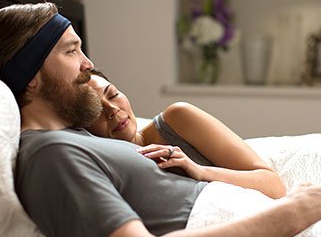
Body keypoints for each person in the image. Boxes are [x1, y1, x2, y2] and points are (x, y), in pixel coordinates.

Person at [0, 2, 321, 237]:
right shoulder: (51, 155)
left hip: (275, 225)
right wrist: (297, 209)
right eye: (71, 51)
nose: (87, 63)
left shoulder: (75, 139)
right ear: (31, 77)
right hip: (271, 236)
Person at [86, 69, 285, 198]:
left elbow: (273, 184)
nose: (112, 109)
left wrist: (199, 171)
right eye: (96, 111)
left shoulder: (177, 118)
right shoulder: (102, 169)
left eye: (113, 94)